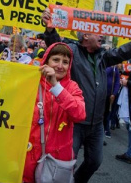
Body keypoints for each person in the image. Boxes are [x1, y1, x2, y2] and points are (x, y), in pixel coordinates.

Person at [42, 9, 131, 183]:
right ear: (86, 35)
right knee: (65, 162)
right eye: (99, 32)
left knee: (95, 161)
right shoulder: (72, 51)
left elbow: (127, 50)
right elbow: (55, 45)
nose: (103, 35)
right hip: (74, 123)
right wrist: (50, 29)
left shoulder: (104, 56)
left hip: (96, 124)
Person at [23, 42, 86, 183]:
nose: (60, 66)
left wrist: (56, 87)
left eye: (65, 62)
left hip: (58, 159)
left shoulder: (72, 87)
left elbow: (80, 114)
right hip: (28, 153)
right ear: (46, 61)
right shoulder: (32, 82)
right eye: (56, 60)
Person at [104, 64, 120, 139]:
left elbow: (117, 82)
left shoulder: (116, 70)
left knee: (108, 112)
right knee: (102, 113)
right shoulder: (107, 66)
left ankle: (106, 128)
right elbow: (104, 73)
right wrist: (111, 67)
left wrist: (114, 93)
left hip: (111, 95)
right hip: (103, 94)